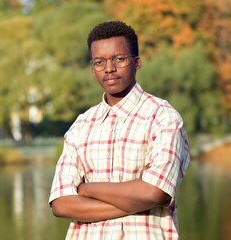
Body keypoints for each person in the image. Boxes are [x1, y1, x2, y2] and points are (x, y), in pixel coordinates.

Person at [48, 21, 190, 239]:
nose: (109, 68)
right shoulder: (81, 125)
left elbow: (154, 191)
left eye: (119, 59)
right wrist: (136, 201)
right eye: (99, 62)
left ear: (137, 62)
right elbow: (61, 204)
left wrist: (88, 189)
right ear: (92, 69)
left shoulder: (162, 117)